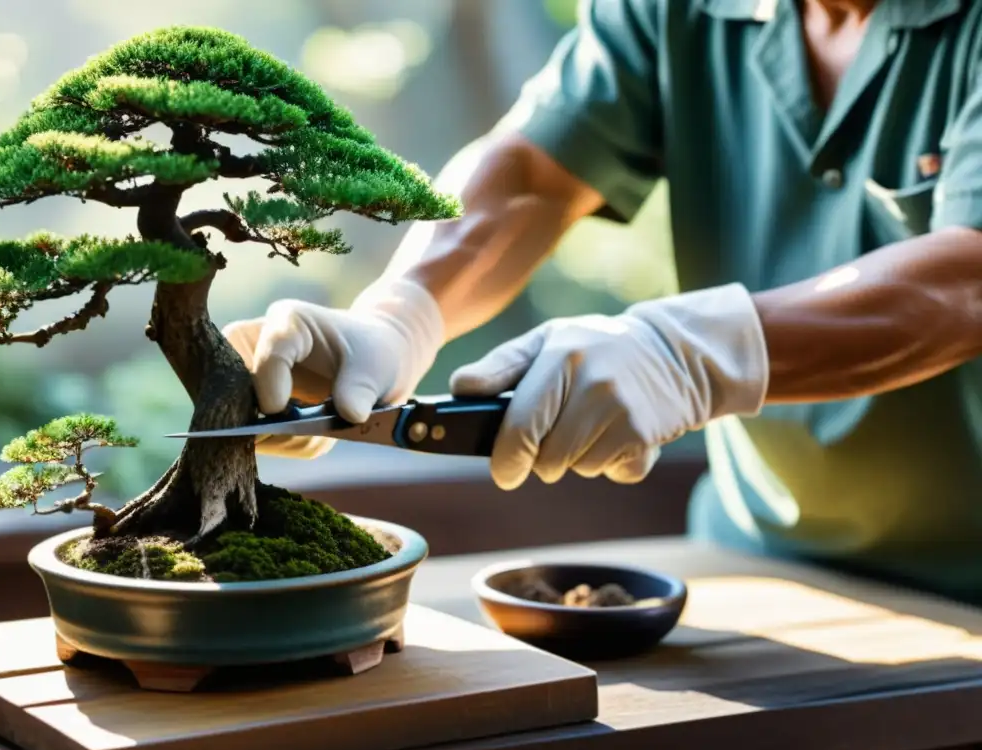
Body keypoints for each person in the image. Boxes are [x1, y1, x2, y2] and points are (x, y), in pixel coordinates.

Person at [225, 0, 982, 603]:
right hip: (753, 563)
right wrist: (399, 313)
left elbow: (966, 281)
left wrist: (685, 354)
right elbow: (534, 172)